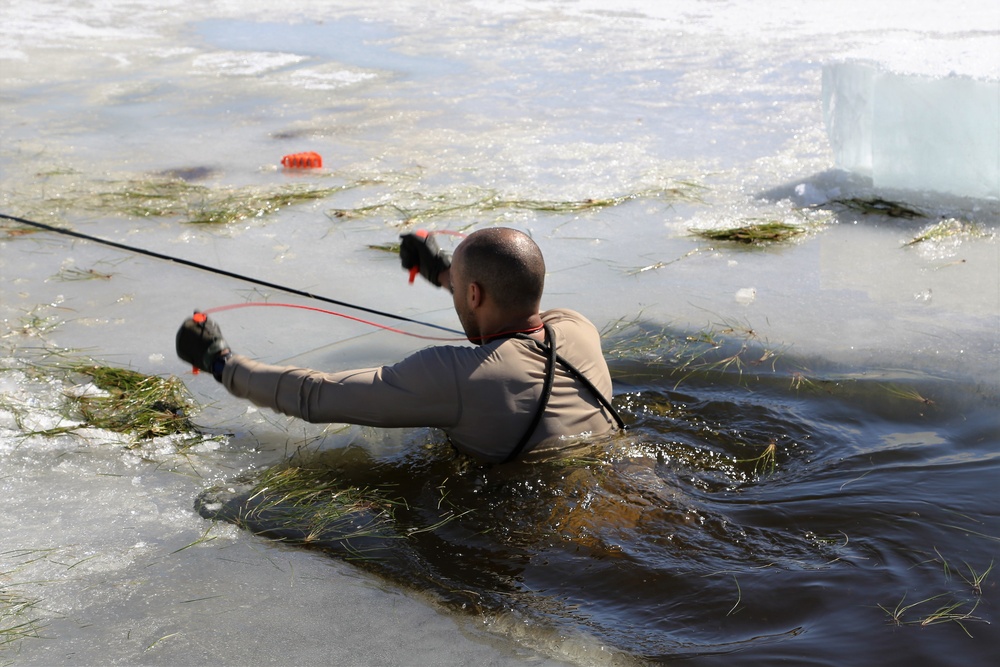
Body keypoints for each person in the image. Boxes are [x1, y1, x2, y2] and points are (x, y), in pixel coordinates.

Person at [176, 227, 623, 463]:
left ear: (473, 295)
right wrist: (446, 272)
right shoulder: (577, 327)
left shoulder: (454, 377)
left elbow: (315, 396)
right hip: (609, 471)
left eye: (462, 288)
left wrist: (220, 362)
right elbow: (498, 296)